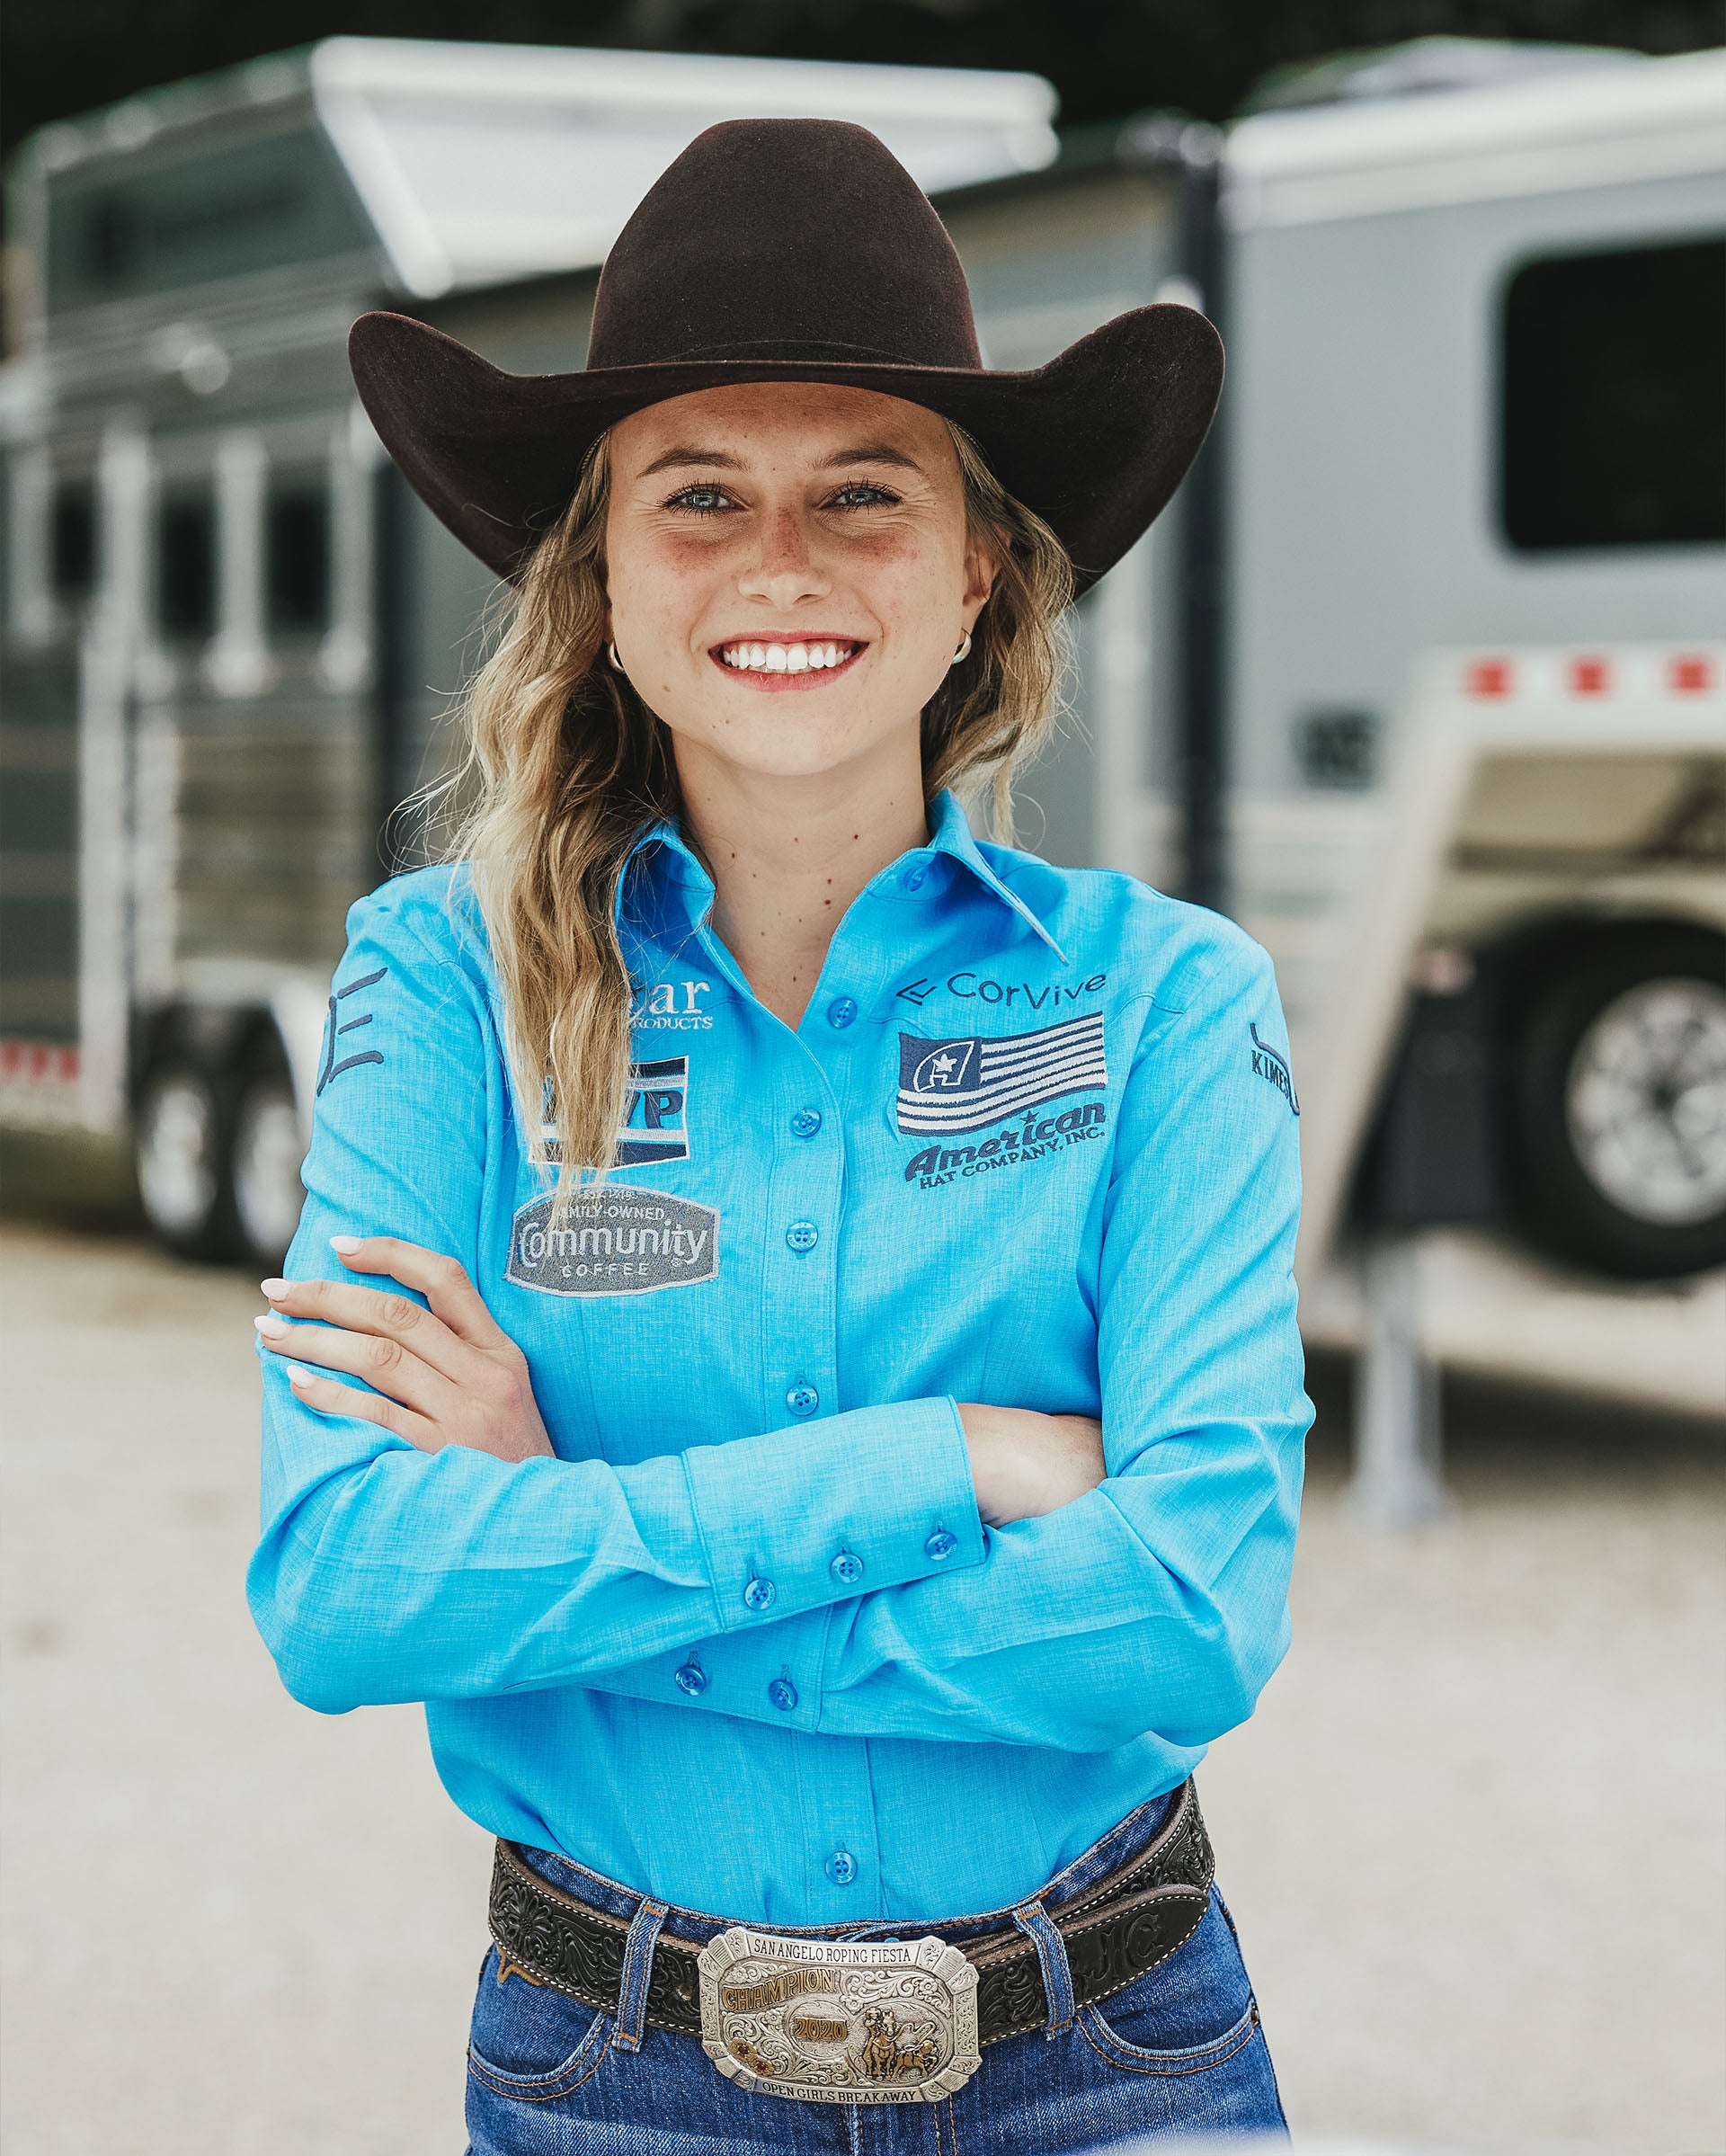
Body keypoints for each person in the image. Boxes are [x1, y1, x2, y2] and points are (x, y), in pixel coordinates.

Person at [248, 117, 1312, 2152]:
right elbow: (344, 1587)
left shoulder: (1170, 1002)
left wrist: (569, 1529)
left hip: (1115, 2060)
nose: (782, 563)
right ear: (610, 580)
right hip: (614, 2079)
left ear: (979, 563)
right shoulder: (439, 990)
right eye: (701, 496)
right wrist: (944, 1466)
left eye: (865, 492)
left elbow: (1193, 1606)